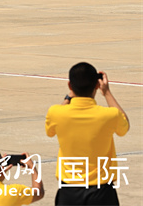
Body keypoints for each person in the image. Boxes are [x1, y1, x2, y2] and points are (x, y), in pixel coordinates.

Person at [45, 62, 129, 205]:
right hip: (102, 191)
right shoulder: (109, 115)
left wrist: (69, 97)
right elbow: (124, 126)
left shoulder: (56, 112)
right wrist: (107, 92)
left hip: (69, 191)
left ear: (70, 86)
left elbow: (50, 131)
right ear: (97, 85)